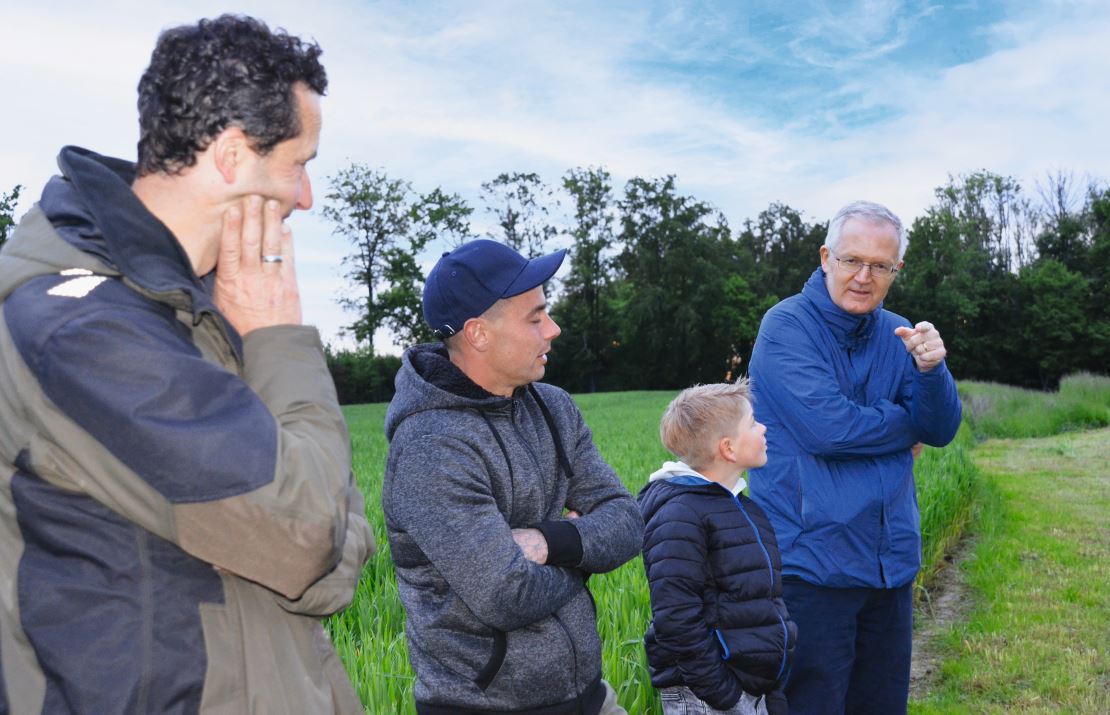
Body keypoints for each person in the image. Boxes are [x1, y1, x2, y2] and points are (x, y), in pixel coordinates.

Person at [0, 15, 374, 714]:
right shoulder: (83, 329)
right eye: (299, 165)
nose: (306, 198)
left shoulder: (196, 308)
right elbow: (307, 534)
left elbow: (319, 538)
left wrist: (309, 530)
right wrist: (280, 335)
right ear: (233, 156)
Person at [382, 239, 643, 714]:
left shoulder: (554, 406)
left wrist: (548, 543)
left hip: (589, 695)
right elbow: (505, 593)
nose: (554, 329)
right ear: (479, 333)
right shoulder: (431, 448)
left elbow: (627, 521)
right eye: (536, 317)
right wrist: (585, 554)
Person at [746, 200, 962, 714]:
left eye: (880, 266)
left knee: (882, 705)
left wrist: (932, 372)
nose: (864, 277)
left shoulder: (901, 334)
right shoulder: (786, 327)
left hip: (891, 564)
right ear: (826, 257)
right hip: (813, 567)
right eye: (851, 260)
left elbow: (941, 428)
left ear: (895, 271)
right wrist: (903, 422)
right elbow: (830, 430)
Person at [639, 381, 796, 715]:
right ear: (728, 448)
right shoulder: (679, 515)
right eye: (753, 423)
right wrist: (725, 696)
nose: (763, 428)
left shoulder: (741, 506)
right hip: (709, 697)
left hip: (752, 688)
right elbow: (677, 620)